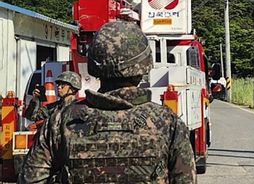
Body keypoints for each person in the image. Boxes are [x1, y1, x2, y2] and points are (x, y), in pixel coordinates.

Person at [19, 21, 196, 183]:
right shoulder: (168, 123)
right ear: (144, 65)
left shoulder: (60, 121)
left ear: (94, 64)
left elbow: (31, 179)